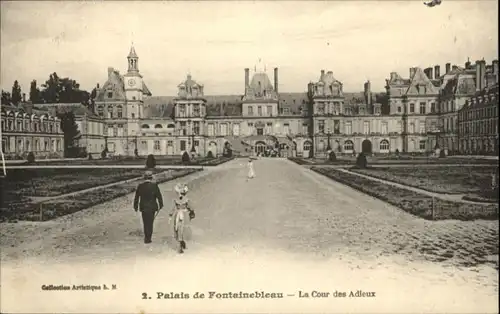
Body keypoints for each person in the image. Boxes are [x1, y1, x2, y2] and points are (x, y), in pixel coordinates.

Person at [133, 171, 163, 244]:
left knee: (145, 222)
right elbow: (159, 196)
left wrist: (135, 206)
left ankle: (146, 237)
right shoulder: (154, 186)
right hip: (152, 207)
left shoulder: (140, 186)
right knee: (150, 222)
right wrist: (161, 204)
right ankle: (148, 237)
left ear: (144, 178)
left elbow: (136, 197)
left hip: (144, 207)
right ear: (151, 177)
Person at [170, 183, 195, 253]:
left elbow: (173, 208)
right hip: (185, 215)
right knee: (183, 228)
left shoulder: (176, 199)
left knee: (178, 228)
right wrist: (192, 212)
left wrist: (171, 214)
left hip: (178, 214)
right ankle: (181, 243)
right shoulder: (187, 199)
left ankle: (180, 242)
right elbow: (190, 207)